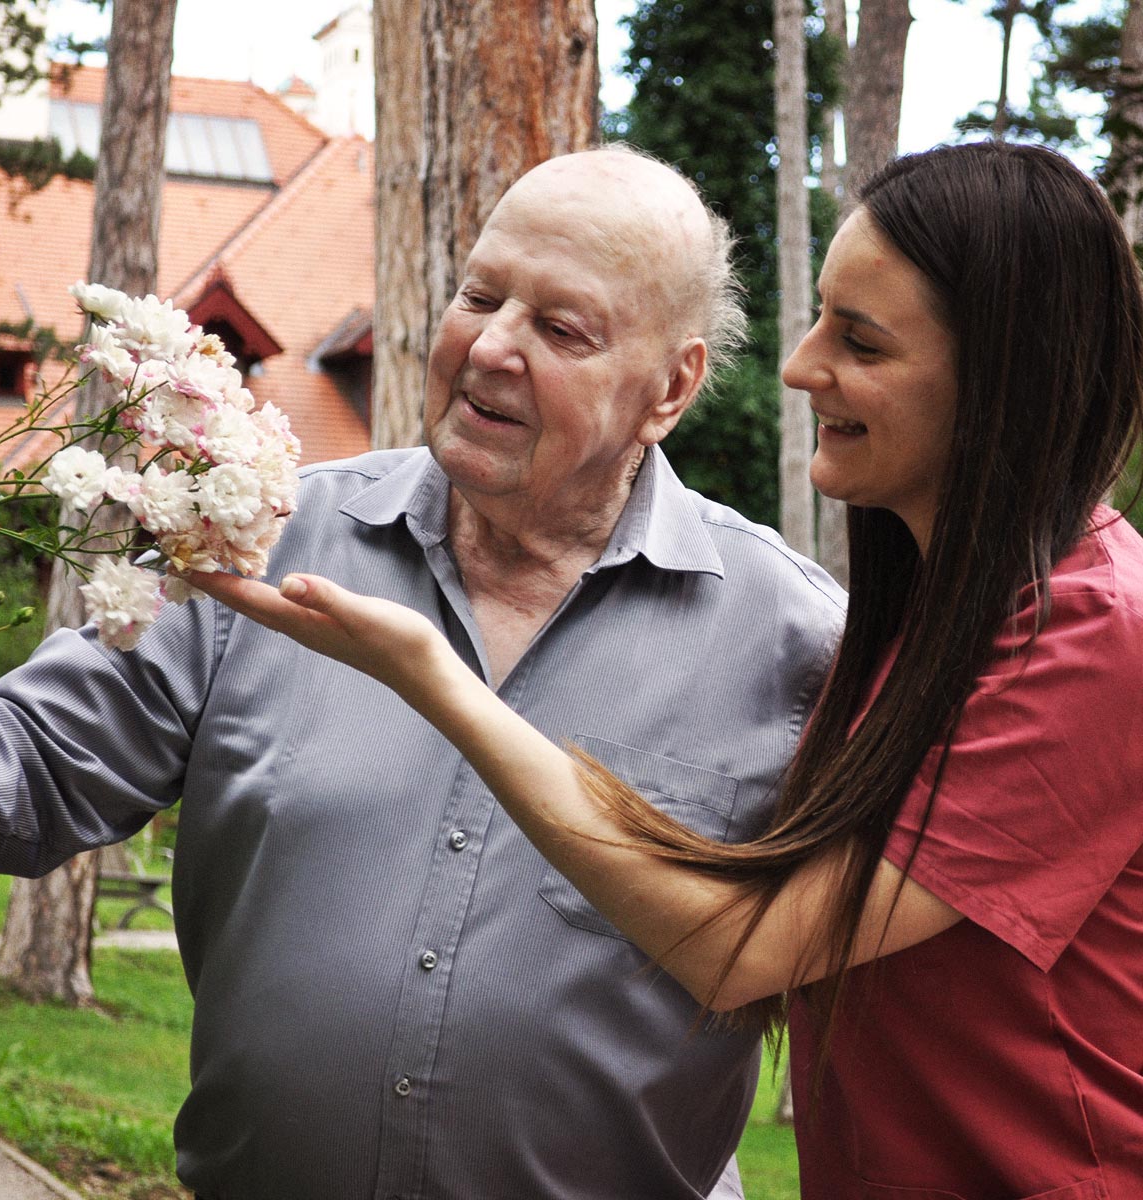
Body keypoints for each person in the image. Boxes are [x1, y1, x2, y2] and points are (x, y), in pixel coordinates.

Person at [197, 140, 1143, 1198]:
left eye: (862, 342)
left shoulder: (1095, 640)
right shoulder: (931, 620)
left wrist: (436, 679)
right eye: (822, 315)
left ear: (1001, 385)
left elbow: (746, 950)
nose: (800, 365)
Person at [0, 145, 845, 1198]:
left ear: (671, 388)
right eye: (480, 294)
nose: (491, 347)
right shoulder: (263, 537)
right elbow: (24, 769)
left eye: (560, 329)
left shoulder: (797, 643)